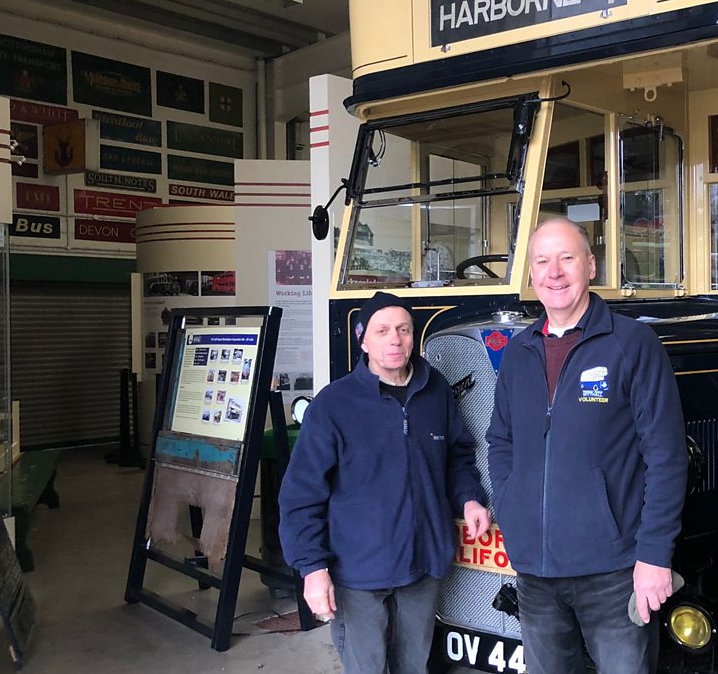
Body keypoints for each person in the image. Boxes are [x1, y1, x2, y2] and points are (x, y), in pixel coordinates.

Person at [486, 218, 687, 674]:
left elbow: (666, 455)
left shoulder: (633, 344)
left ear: (590, 266)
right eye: (542, 261)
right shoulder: (518, 353)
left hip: (613, 573)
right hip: (536, 574)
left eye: (567, 258)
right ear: (532, 275)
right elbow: (501, 439)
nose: (554, 272)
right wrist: (513, 504)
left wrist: (654, 556)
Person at [279, 292, 490, 674]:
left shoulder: (435, 391)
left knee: (414, 666)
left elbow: (457, 455)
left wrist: (469, 500)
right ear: (364, 340)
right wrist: (312, 568)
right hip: (358, 571)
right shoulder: (334, 405)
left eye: (403, 330)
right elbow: (300, 495)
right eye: (382, 330)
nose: (395, 339)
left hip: (422, 564)